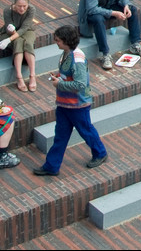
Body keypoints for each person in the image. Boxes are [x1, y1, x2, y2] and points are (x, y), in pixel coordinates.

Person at [32, 24, 110, 175]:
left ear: (66, 41)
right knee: (61, 135)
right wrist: (59, 77)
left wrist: (59, 83)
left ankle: (100, 153)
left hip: (77, 105)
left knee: (86, 131)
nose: (56, 43)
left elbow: (80, 84)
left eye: (58, 41)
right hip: (65, 104)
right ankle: (51, 166)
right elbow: (71, 76)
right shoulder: (67, 53)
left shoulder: (77, 59)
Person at [0, 0, 37, 92]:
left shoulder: (31, 9)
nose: (22, 8)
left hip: (27, 30)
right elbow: (10, 27)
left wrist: (9, 40)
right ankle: (19, 77)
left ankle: (32, 75)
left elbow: (24, 28)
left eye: (24, 6)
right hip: (10, 33)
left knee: (28, 43)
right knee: (19, 42)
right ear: (14, 4)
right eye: (19, 6)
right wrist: (11, 31)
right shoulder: (7, 10)